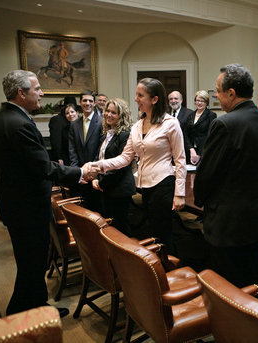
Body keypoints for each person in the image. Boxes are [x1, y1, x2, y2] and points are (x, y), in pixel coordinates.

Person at [0, 70, 97, 317]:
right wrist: (79, 172)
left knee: (30, 263)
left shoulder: (2, 118)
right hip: (26, 208)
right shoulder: (19, 124)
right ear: (21, 92)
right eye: (37, 88)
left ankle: (30, 309)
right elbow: (43, 166)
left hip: (16, 204)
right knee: (32, 263)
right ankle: (28, 312)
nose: (42, 93)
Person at [193, 64, 258, 288]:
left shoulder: (224, 123)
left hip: (227, 221)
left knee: (226, 284)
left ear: (231, 93)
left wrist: (199, 200)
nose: (216, 96)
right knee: (251, 276)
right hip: (256, 216)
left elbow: (207, 172)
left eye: (218, 91)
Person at [89, 78, 186, 253]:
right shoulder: (137, 126)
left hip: (164, 183)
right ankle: (157, 271)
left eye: (140, 95)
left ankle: (171, 272)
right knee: (153, 232)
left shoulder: (170, 123)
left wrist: (179, 193)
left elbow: (180, 159)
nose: (136, 99)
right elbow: (125, 158)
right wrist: (97, 165)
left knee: (163, 233)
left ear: (154, 99)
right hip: (145, 186)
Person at [92, 98, 136, 236]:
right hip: (106, 187)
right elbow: (100, 158)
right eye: (107, 111)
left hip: (119, 188)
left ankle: (126, 255)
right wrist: (94, 177)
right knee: (111, 225)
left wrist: (100, 182)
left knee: (120, 226)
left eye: (113, 112)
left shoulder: (125, 135)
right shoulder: (107, 133)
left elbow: (121, 166)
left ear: (121, 116)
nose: (108, 115)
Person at [68, 90, 103, 211]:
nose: (87, 103)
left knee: (97, 209)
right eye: (85, 100)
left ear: (94, 103)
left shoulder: (101, 122)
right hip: (80, 174)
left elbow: (101, 148)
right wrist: (78, 171)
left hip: (96, 174)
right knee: (83, 209)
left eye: (90, 101)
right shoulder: (74, 124)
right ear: (80, 102)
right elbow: (72, 149)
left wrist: (92, 171)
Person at [184, 90, 217, 165]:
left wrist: (199, 154)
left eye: (202, 101)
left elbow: (210, 135)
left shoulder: (211, 115)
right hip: (190, 152)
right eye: (197, 100)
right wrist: (191, 150)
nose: (199, 103)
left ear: (206, 103)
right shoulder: (190, 115)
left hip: (204, 151)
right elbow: (185, 134)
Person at [49, 100, 78, 165]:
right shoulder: (65, 128)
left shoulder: (83, 126)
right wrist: (59, 157)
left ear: (77, 113)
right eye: (67, 113)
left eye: (72, 112)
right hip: (68, 159)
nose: (70, 114)